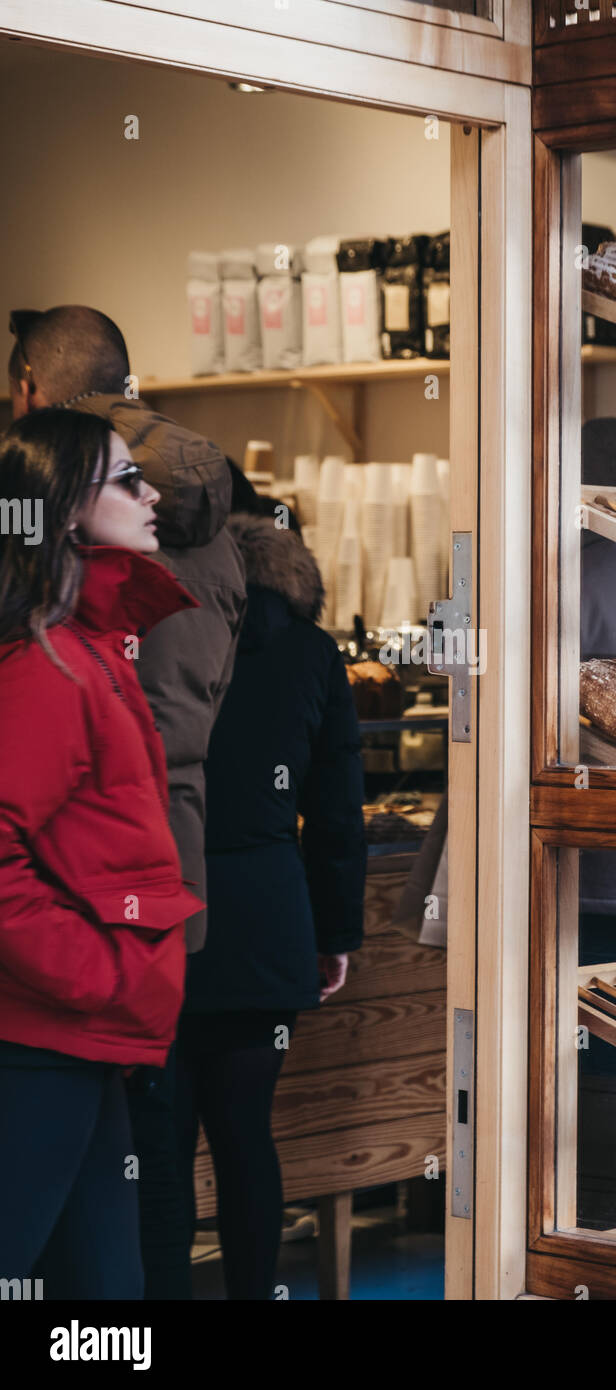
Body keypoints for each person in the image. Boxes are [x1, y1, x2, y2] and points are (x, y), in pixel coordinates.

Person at [7, 306, 247, 1299]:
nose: (154, 495)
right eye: (127, 482)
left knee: (104, 1295)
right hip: (42, 1035)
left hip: (88, 1032)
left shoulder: (97, 645)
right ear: (68, 509)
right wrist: (100, 968)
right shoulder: (44, 670)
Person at [175, 472, 366, 1299]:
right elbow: (335, 814)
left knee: (158, 1144)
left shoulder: (153, 627)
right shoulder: (313, 650)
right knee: (246, 1134)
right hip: (266, 920)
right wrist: (336, 934)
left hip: (161, 912)